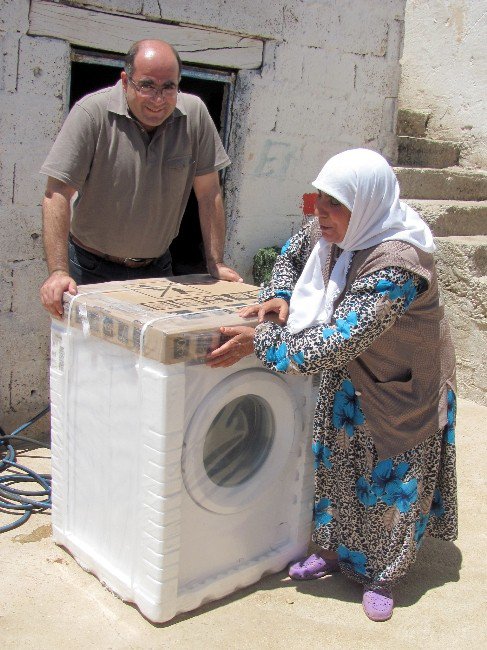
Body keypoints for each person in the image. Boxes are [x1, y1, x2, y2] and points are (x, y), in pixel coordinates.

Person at [207, 148, 458, 622]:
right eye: (317, 199)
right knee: (338, 463)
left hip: (400, 382)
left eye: (334, 204)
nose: (319, 213)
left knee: (390, 479)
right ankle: (338, 551)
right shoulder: (332, 227)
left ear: (364, 204)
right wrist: (278, 294)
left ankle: (384, 572)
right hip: (350, 375)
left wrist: (259, 343)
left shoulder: (398, 263)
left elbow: (331, 345)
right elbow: (291, 252)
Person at [40, 39, 242, 320]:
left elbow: (208, 192)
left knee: (149, 362)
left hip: (157, 272)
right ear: (125, 81)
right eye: (146, 85)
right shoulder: (91, 114)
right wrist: (58, 272)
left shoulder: (194, 115)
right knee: (90, 360)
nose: (158, 99)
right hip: (90, 270)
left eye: (168, 87)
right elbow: (57, 193)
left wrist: (215, 262)